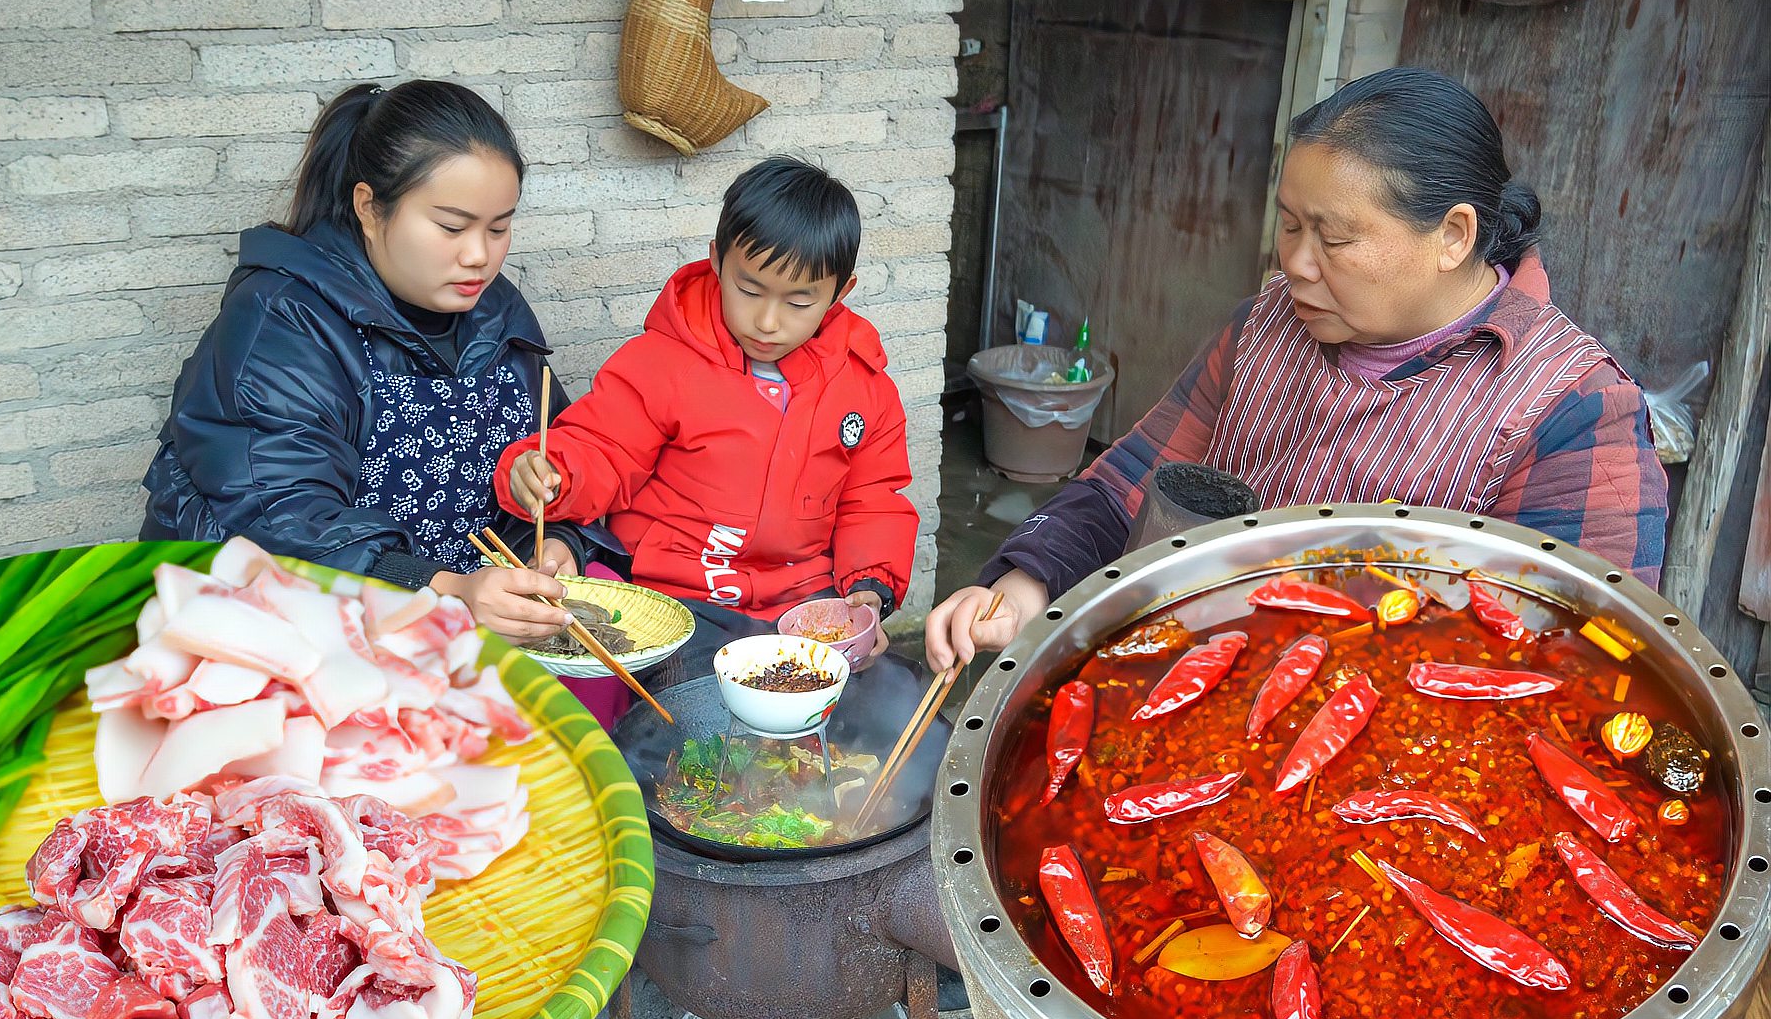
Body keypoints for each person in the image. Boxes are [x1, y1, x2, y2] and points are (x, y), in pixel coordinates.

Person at [927, 66, 1668, 673]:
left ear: (1453, 234)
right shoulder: (1266, 323)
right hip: (1192, 686)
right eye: (1289, 224)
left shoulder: (1573, 407)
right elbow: (1136, 483)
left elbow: (1577, 667)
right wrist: (1028, 586)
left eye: (1334, 238)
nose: (1296, 262)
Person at [142, 80, 587, 646]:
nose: (480, 255)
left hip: (456, 629)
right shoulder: (280, 322)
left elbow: (560, 448)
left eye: (499, 227)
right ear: (369, 210)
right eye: (451, 227)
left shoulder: (495, 310)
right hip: (286, 634)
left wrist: (558, 539)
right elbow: (282, 519)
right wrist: (447, 593)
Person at [495, 156, 917, 678]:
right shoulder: (662, 363)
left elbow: (873, 501)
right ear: (717, 261)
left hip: (804, 604)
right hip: (680, 601)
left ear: (839, 293)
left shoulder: (864, 385)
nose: (767, 321)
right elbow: (603, 446)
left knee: (886, 709)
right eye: (750, 290)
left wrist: (869, 590)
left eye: (798, 302)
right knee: (698, 730)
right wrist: (552, 471)